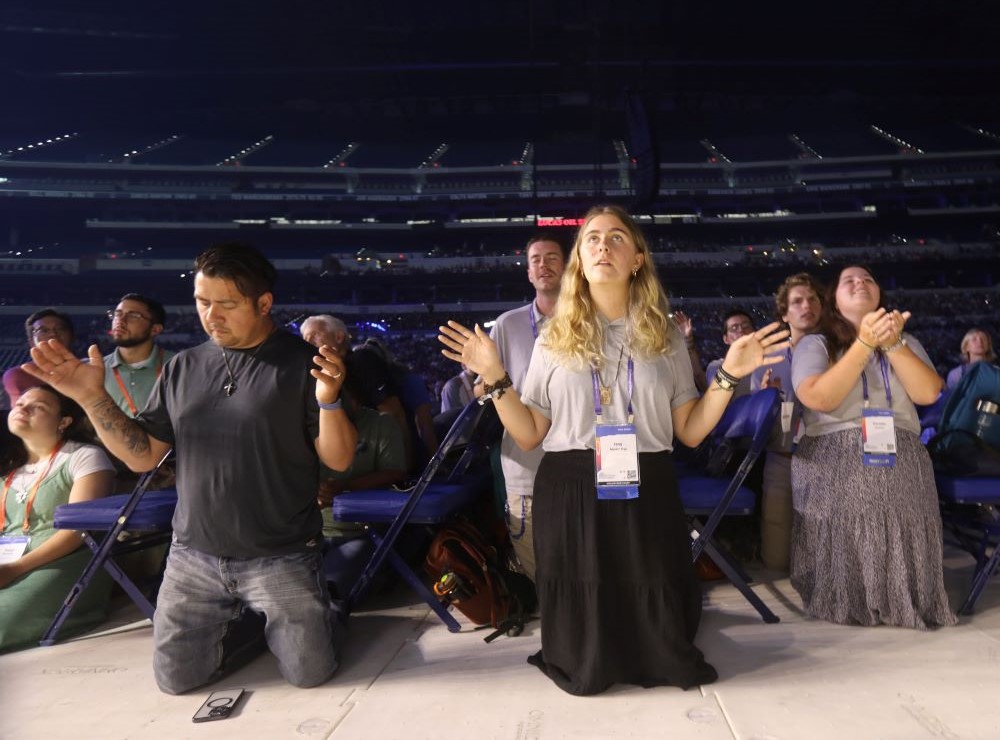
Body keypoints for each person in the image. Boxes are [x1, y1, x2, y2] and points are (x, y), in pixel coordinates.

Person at [439, 205, 789, 695]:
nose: (604, 246)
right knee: (583, 590)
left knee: (649, 581)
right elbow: (528, 433)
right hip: (570, 481)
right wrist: (496, 377)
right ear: (580, 259)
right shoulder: (552, 338)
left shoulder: (663, 335)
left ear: (638, 258)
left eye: (617, 238)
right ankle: (586, 659)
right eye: (593, 239)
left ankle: (651, 654)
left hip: (647, 477)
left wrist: (729, 374)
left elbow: (689, 430)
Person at [22, 242, 357, 693]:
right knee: (176, 681)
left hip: (282, 551)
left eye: (227, 304)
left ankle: (326, 611)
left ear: (263, 303)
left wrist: (330, 400)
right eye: (202, 302)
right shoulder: (183, 367)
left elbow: (339, 459)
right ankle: (258, 627)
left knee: (310, 674)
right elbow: (143, 455)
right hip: (193, 554)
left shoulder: (302, 363)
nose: (211, 317)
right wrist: (89, 396)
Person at [790, 265, 956, 628]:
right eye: (849, 280)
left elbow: (928, 392)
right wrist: (863, 344)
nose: (860, 282)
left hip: (900, 447)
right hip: (834, 446)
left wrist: (891, 343)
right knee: (858, 477)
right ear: (834, 299)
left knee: (900, 470)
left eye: (867, 279)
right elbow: (818, 396)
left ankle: (902, 594)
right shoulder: (815, 343)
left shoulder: (907, 342)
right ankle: (852, 593)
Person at [0, 385, 115, 652]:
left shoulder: (83, 457)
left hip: (63, 561)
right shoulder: (9, 465)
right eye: (20, 403)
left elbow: (77, 530)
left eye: (37, 406)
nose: (22, 408)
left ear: (64, 421)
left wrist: (13, 569)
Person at [486, 231, 567, 581]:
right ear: (528, 273)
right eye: (535, 259)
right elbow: (485, 384)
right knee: (536, 562)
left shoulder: (589, 320)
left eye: (551, 257)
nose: (543, 265)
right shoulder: (508, 325)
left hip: (579, 461)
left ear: (567, 267)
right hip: (525, 463)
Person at [750, 273, 824, 571]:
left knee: (822, 548)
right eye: (797, 301)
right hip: (780, 456)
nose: (806, 305)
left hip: (824, 457)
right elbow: (753, 417)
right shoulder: (768, 357)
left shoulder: (837, 352)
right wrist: (763, 398)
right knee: (776, 558)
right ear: (784, 313)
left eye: (812, 299)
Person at [300, 316, 418, 469]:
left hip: (377, 461)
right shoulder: (313, 374)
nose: (308, 341)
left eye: (315, 334)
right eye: (305, 337)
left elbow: (394, 412)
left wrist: (404, 466)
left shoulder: (363, 360)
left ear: (339, 336)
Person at [103, 294, 175, 417]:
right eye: (118, 314)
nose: (120, 320)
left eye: (133, 316)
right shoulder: (98, 369)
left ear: (155, 329)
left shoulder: (177, 366)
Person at [3, 309, 76, 407]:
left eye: (60, 329)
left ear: (72, 336)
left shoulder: (88, 371)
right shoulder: (18, 375)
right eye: (44, 330)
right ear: (31, 341)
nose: (53, 334)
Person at [705, 310, 756, 399]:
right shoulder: (717, 366)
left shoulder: (767, 364)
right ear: (726, 339)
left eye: (746, 326)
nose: (741, 330)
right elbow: (717, 398)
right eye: (734, 328)